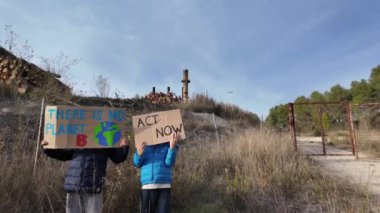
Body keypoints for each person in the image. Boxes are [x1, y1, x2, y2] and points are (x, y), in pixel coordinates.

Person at [41, 139, 129, 213]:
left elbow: (118, 158)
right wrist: (48, 149)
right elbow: (65, 154)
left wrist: (124, 148)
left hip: (94, 188)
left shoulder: (105, 138)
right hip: (74, 187)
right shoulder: (78, 135)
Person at [133, 132, 180, 213]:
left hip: (164, 186)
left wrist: (171, 148)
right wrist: (139, 154)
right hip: (147, 187)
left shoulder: (167, 144)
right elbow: (136, 163)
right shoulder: (143, 144)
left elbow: (169, 163)